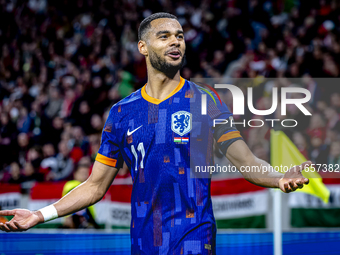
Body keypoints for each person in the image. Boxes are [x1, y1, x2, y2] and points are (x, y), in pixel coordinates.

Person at [0, 13, 309, 255]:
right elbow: (94, 187)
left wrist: (278, 178)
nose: (176, 42)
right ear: (143, 48)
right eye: (165, 37)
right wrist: (39, 215)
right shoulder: (122, 113)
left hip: (194, 238)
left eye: (180, 36)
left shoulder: (206, 101)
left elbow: (247, 161)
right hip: (144, 241)